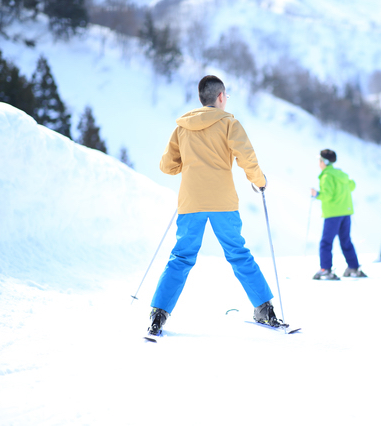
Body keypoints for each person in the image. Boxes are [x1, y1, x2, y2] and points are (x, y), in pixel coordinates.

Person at [146, 75, 281, 337]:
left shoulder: (182, 127)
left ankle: (158, 315)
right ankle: (265, 310)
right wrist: (260, 182)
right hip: (222, 202)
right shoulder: (229, 123)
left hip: (191, 201)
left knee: (181, 257)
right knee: (238, 254)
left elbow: (167, 166)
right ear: (221, 97)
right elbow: (247, 158)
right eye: (226, 96)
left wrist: (191, 165)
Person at [310, 149, 367, 280]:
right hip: (345, 212)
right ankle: (353, 267)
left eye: (320, 160)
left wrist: (316, 194)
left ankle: (325, 269)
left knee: (326, 242)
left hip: (333, 214)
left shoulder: (326, 176)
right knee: (346, 241)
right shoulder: (341, 174)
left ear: (324, 162)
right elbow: (352, 186)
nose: (319, 163)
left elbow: (328, 195)